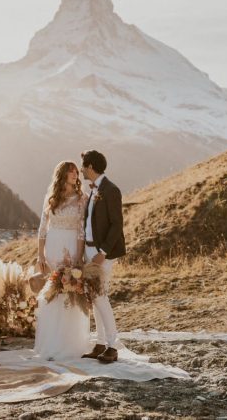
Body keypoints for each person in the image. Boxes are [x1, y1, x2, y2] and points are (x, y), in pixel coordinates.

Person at [33, 161, 90, 360]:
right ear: (62, 175)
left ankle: (70, 344)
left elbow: (82, 231)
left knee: (70, 291)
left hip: (71, 247)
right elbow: (42, 228)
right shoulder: (51, 198)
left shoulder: (82, 198)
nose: (75, 174)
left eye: (76, 172)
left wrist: (78, 258)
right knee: (52, 293)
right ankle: (50, 342)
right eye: (71, 172)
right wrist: (41, 254)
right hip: (52, 248)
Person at [80, 150, 126, 363]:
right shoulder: (94, 190)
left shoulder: (111, 190)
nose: (81, 170)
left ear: (90, 167)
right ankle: (99, 343)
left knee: (100, 297)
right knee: (95, 298)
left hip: (102, 254)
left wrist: (103, 253)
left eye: (83, 166)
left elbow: (117, 225)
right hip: (90, 251)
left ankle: (112, 346)